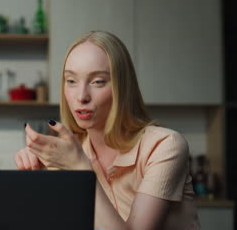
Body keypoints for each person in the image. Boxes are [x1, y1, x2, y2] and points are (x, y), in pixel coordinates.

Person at [14, 31, 200, 229]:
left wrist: (81, 169)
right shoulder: (72, 152)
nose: (81, 96)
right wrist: (36, 180)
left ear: (122, 86)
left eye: (97, 82)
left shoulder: (165, 146)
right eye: (71, 81)